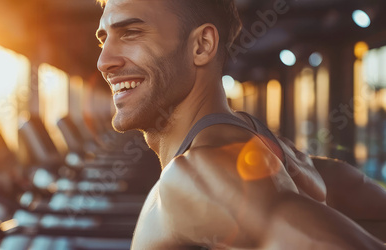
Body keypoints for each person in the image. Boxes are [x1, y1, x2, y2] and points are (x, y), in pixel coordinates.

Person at [95, 0, 386, 249]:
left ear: (202, 45)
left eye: (131, 33)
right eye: (103, 39)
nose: (103, 61)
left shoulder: (201, 171)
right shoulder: (274, 149)